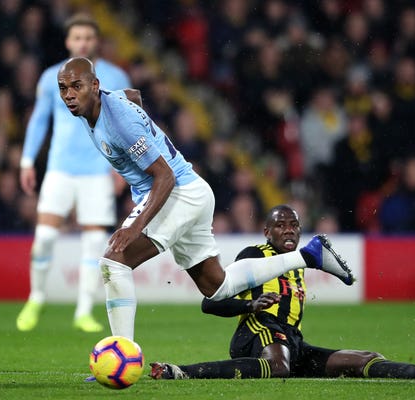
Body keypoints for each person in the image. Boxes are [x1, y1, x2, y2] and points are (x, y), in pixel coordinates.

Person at [55, 57, 356, 340]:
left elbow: (165, 177)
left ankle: (122, 354)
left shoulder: (118, 122)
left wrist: (135, 227)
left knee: (114, 263)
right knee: (218, 287)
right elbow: (132, 95)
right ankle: (310, 255)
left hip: (177, 192)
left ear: (94, 86)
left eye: (76, 86)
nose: (69, 95)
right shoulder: (99, 103)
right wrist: (148, 129)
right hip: (193, 192)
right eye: (63, 88)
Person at [149, 205, 415, 381]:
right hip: (257, 334)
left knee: (361, 360)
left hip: (292, 340)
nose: (288, 231)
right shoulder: (254, 255)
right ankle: (181, 371)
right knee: (278, 366)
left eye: (293, 225)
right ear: (267, 231)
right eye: (280, 225)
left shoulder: (296, 265)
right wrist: (251, 304)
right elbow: (211, 303)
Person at [16, 14, 131, 333]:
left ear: (97, 42)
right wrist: (27, 160)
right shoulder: (52, 77)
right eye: (77, 37)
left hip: (98, 169)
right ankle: (36, 297)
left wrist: (123, 166)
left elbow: (125, 123)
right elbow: (40, 120)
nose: (82, 43)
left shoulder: (114, 75)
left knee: (94, 244)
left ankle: (83, 310)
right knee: (44, 238)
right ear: (68, 42)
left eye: (88, 38)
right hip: (60, 169)